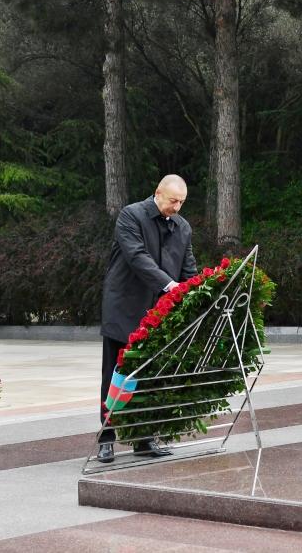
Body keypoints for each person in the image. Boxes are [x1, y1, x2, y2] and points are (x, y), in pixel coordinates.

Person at [97, 174, 197, 463]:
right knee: (114, 377)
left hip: (158, 315)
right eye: (173, 200)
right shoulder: (131, 215)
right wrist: (170, 286)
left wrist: (195, 292)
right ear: (158, 193)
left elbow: (188, 268)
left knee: (150, 377)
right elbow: (137, 257)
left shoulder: (182, 227)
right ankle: (106, 438)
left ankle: (144, 439)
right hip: (124, 310)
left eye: (181, 202)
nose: (177, 207)